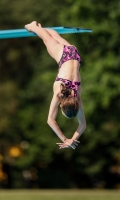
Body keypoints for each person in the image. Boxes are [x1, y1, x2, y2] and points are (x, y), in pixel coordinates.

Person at [25, 21, 86, 150]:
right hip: (63, 55)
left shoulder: (77, 96)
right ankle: (32, 26)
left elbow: (83, 125)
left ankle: (40, 28)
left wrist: (72, 140)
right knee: (44, 38)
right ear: (61, 106)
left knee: (53, 36)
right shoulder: (59, 93)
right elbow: (50, 120)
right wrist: (65, 140)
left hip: (74, 53)